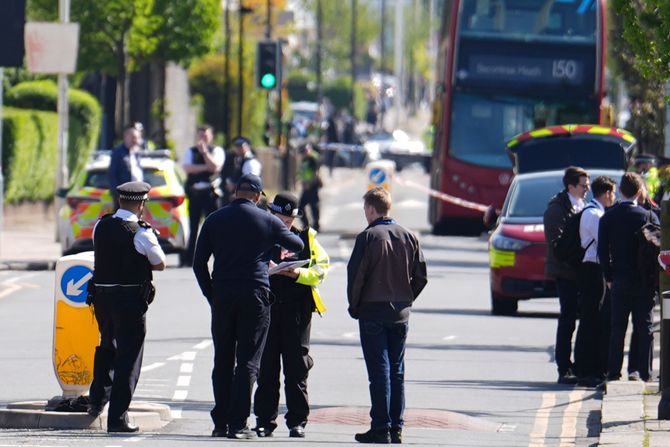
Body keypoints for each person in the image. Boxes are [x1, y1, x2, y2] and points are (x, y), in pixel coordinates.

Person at [192, 174, 304, 439]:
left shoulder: (214, 219)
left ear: (235, 192)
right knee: (248, 361)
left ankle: (220, 421)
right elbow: (297, 244)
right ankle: (238, 423)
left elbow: (199, 264)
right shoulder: (267, 220)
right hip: (255, 294)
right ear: (257, 196)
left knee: (222, 359)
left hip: (222, 295)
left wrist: (211, 294)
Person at [347, 187, 427, 444]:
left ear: (371, 209)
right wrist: (406, 298)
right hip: (400, 313)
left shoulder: (368, 237)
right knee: (397, 370)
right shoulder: (409, 236)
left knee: (379, 371)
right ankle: (396, 427)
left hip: (373, 310)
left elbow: (356, 276)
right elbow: (421, 276)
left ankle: (380, 426)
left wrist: (355, 306)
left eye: (365, 210)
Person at [86, 181, 166, 433]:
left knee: (107, 345)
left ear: (120, 200)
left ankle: (96, 401)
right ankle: (118, 418)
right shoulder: (141, 232)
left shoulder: (101, 225)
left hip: (102, 299)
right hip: (129, 301)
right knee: (129, 358)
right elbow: (160, 262)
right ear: (142, 204)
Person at [253, 192, 330, 439]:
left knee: (297, 368)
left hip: (298, 311)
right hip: (267, 308)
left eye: (289, 220)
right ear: (271, 213)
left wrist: (297, 274)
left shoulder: (306, 237)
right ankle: (265, 420)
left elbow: (321, 270)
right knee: (267, 368)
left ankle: (298, 421)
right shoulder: (261, 234)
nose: (284, 223)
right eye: (280, 218)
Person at [598, 172, 656, 383]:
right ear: (639, 191)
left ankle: (613, 372)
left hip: (620, 279)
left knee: (617, 328)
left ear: (620, 191)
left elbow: (602, 251)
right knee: (644, 328)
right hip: (644, 281)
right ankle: (643, 372)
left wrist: (609, 277)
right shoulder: (648, 217)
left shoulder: (608, 217)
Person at [543, 166, 590, 385]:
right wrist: (578, 259)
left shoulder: (582, 204)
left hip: (581, 271)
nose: (587, 188)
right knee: (568, 318)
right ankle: (564, 366)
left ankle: (580, 364)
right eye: (583, 185)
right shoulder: (557, 208)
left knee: (582, 318)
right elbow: (558, 246)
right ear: (571, 186)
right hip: (566, 272)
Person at [574, 176, 617, 387]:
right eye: (613, 193)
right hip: (591, 270)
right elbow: (605, 243)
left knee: (595, 318)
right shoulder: (595, 214)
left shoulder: (595, 212)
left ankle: (590, 367)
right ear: (607, 193)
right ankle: (585, 369)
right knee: (590, 319)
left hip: (594, 269)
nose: (614, 197)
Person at [181, 124, 225, 267]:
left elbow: (215, 167)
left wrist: (205, 153)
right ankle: (189, 258)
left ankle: (219, 257)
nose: (203, 138)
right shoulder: (191, 151)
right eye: (200, 135)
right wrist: (206, 167)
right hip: (195, 194)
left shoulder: (216, 150)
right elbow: (187, 168)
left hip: (211, 194)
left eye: (205, 135)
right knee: (193, 227)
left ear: (211, 136)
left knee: (215, 226)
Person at [109, 125, 144, 208]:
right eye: (133, 137)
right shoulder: (118, 153)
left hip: (137, 196)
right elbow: (112, 174)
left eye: (137, 138)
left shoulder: (136, 153)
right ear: (126, 137)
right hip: (123, 197)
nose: (136, 140)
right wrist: (118, 194)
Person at [221, 136, 262, 205]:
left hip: (247, 199)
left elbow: (252, 182)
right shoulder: (234, 158)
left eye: (241, 146)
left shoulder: (251, 162)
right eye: (236, 146)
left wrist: (235, 188)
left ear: (248, 147)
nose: (238, 148)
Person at [298, 144, 322, 231]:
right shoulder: (305, 159)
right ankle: (306, 225)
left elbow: (316, 172)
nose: (304, 153)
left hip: (312, 186)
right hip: (306, 186)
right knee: (301, 206)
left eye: (305, 151)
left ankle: (316, 225)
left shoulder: (312, 159)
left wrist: (309, 183)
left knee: (313, 206)